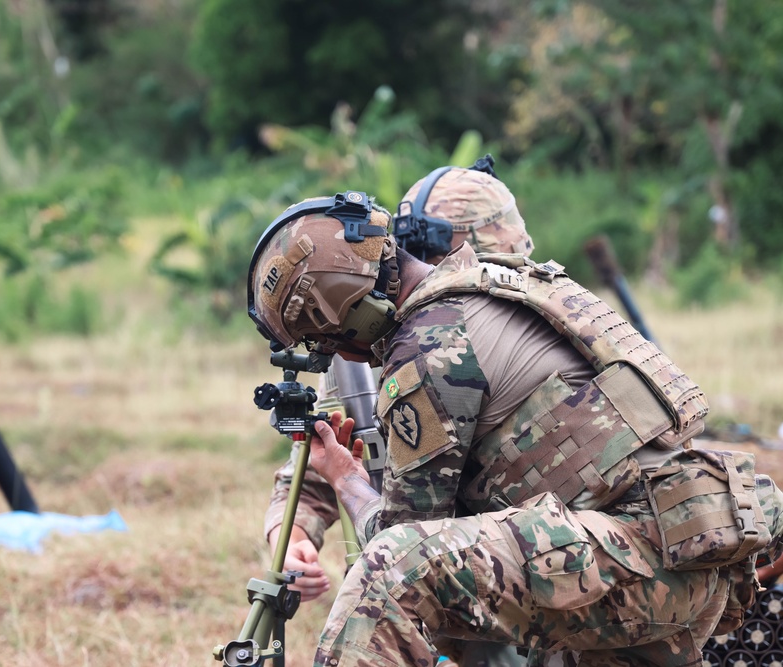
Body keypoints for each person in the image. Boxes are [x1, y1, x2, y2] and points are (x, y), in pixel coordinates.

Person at [247, 171, 783, 666]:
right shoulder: (508, 294)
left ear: (351, 313)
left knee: (396, 568)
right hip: (673, 553)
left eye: (334, 343)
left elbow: (402, 537)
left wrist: (347, 478)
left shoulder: (431, 341)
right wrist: (291, 524)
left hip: (632, 561)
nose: (343, 358)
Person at [263, 164, 531, 667]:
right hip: (424, 601)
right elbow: (318, 468)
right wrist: (293, 537)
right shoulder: (358, 360)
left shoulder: (525, 333)